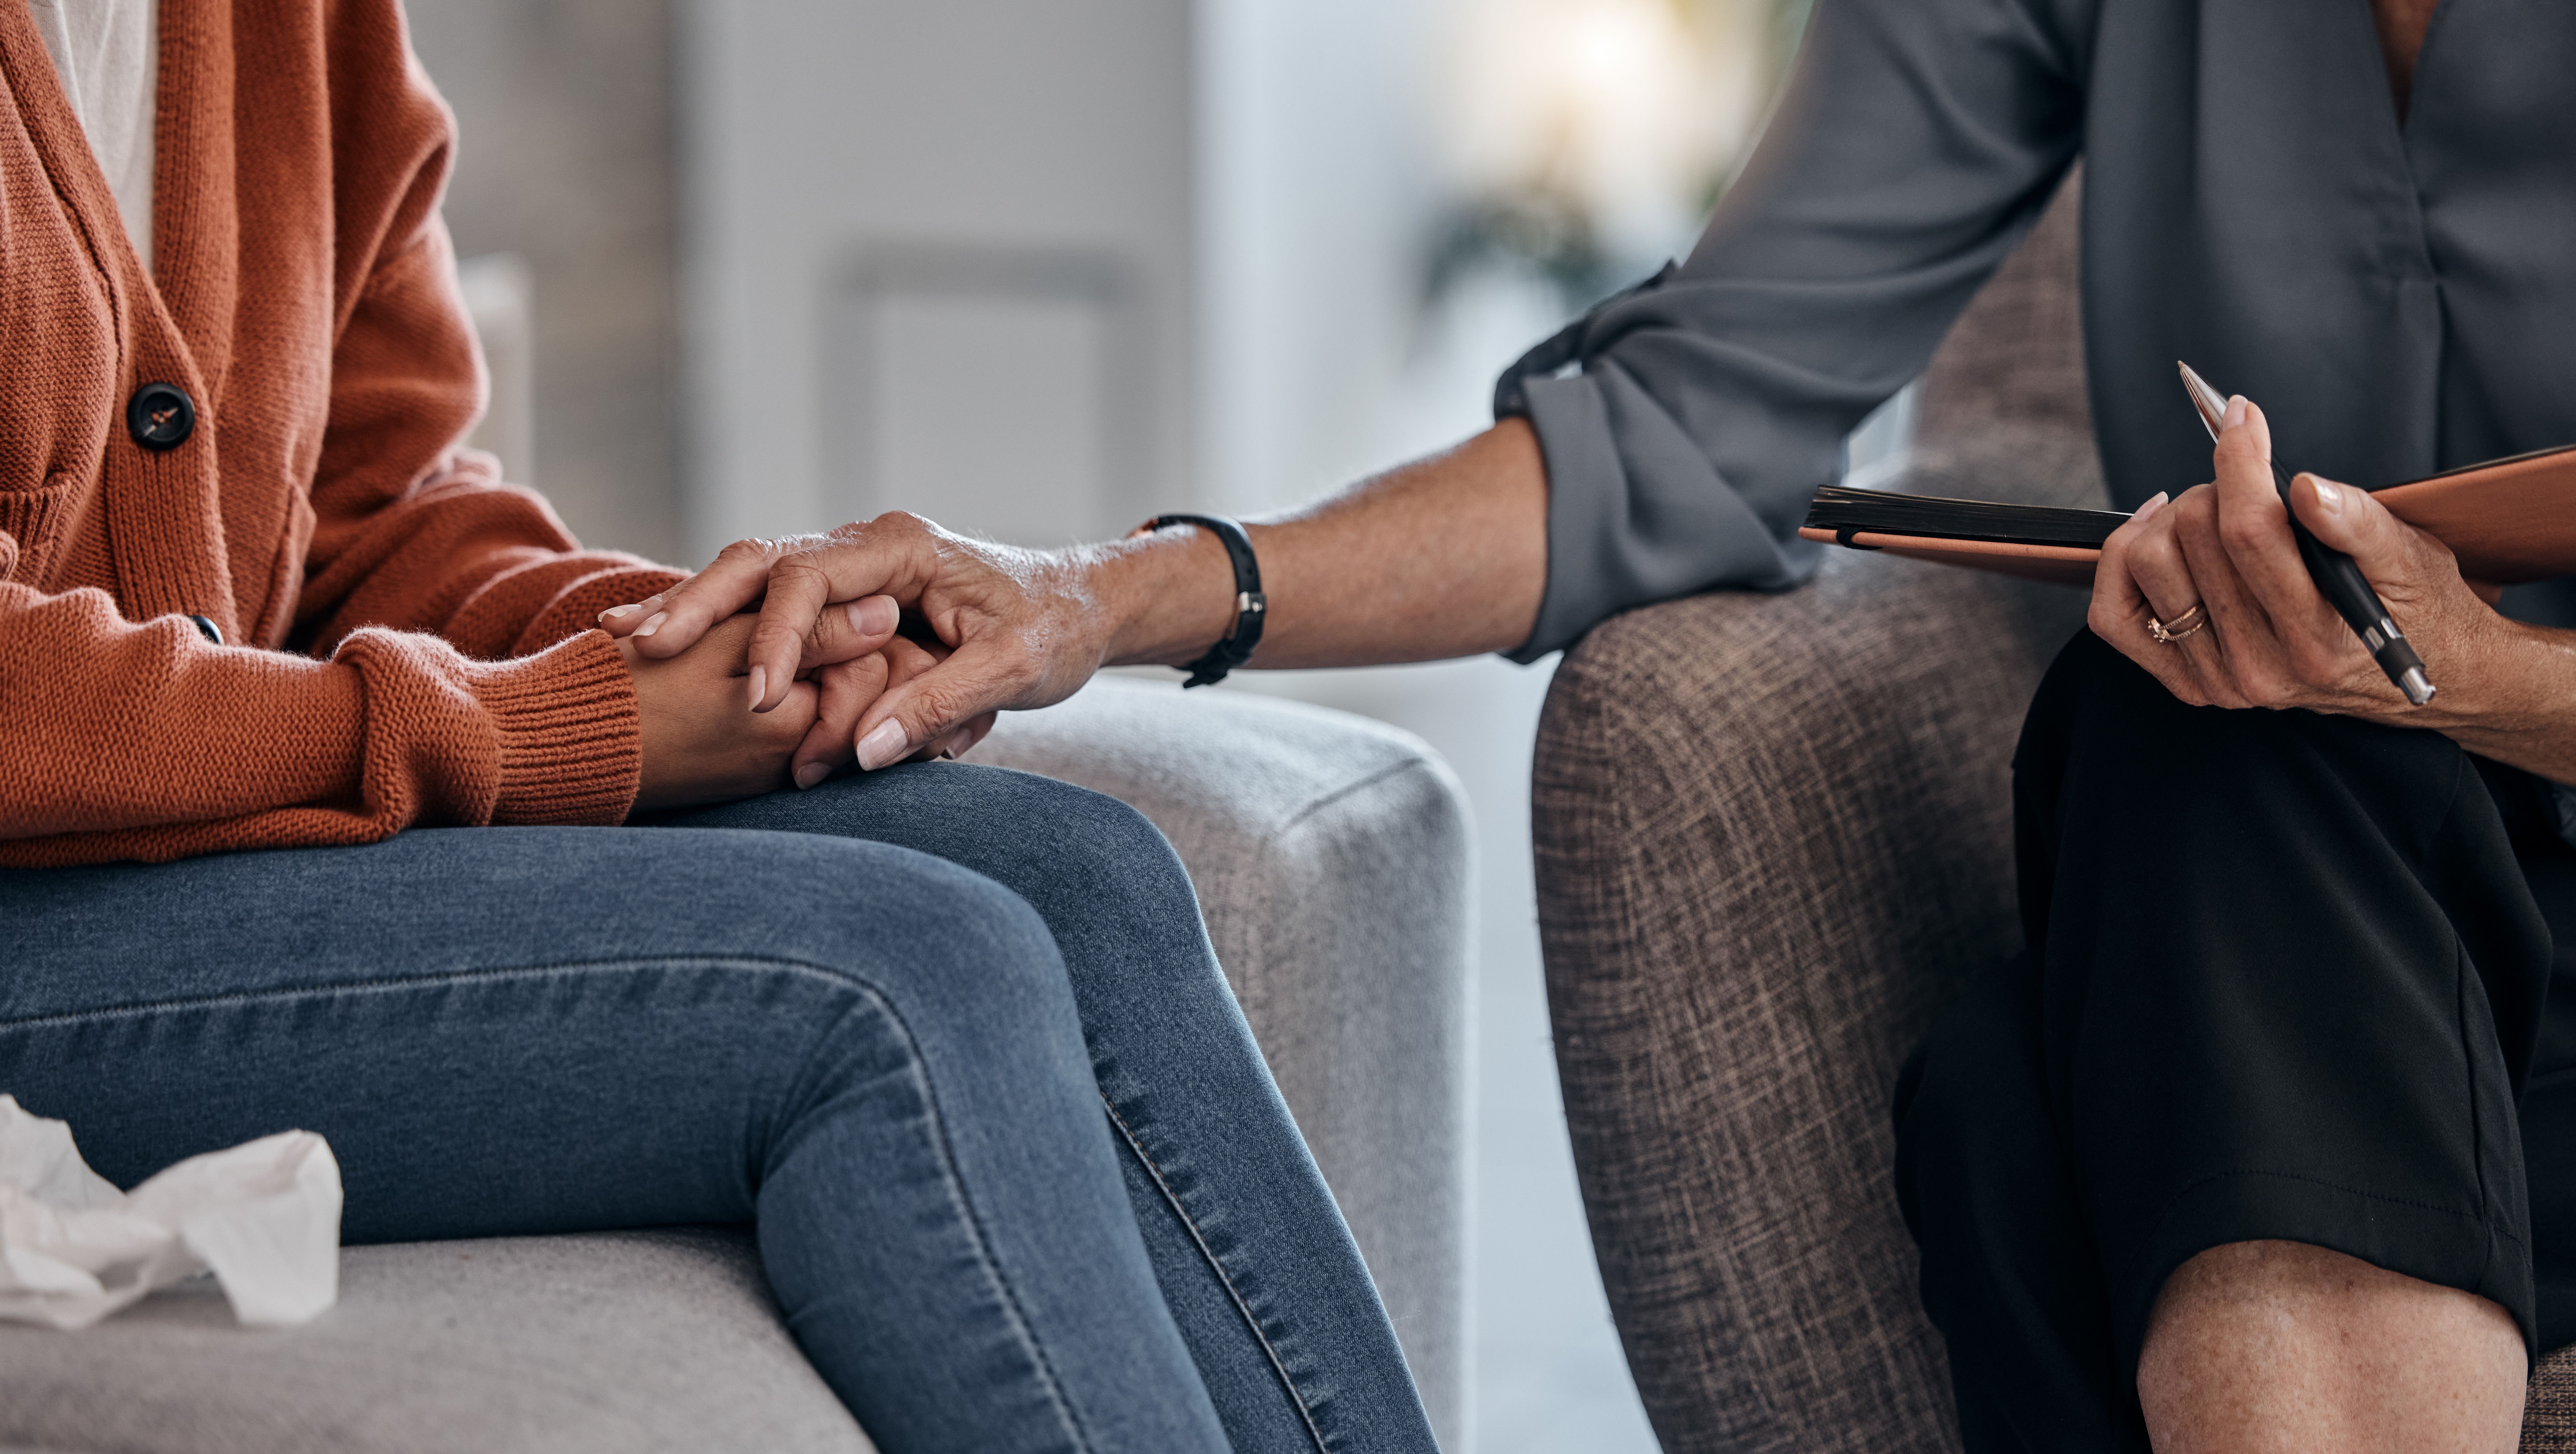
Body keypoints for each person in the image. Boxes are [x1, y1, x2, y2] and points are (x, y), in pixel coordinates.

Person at [614, 0, 2576, 1446]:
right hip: (2303, 885)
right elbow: (1675, 424)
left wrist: (2467, 681)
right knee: (2160, 792)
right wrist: (1088, 597)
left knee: (2030, 1118)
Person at [0, 2, 1442, 1450]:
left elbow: (371, 511)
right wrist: (545, 729)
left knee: (1083, 877)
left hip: (206, 865)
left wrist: (717, 647)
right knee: (906, 980)